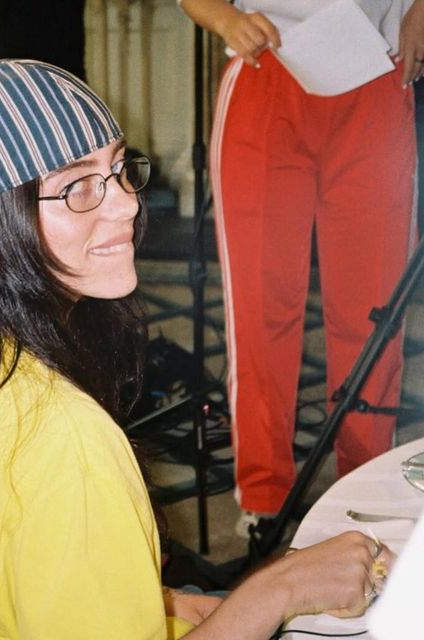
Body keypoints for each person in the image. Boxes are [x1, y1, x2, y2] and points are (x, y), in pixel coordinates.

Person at [0, 59, 392, 639]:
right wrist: (279, 586)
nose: (127, 204)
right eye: (78, 186)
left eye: (118, 169)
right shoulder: (63, 439)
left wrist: (159, 599)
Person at [180, 0, 423, 536]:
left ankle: (364, 488)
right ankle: (264, 492)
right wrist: (224, 19)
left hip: (377, 74)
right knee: (261, 308)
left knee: (373, 312)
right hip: (268, 69)